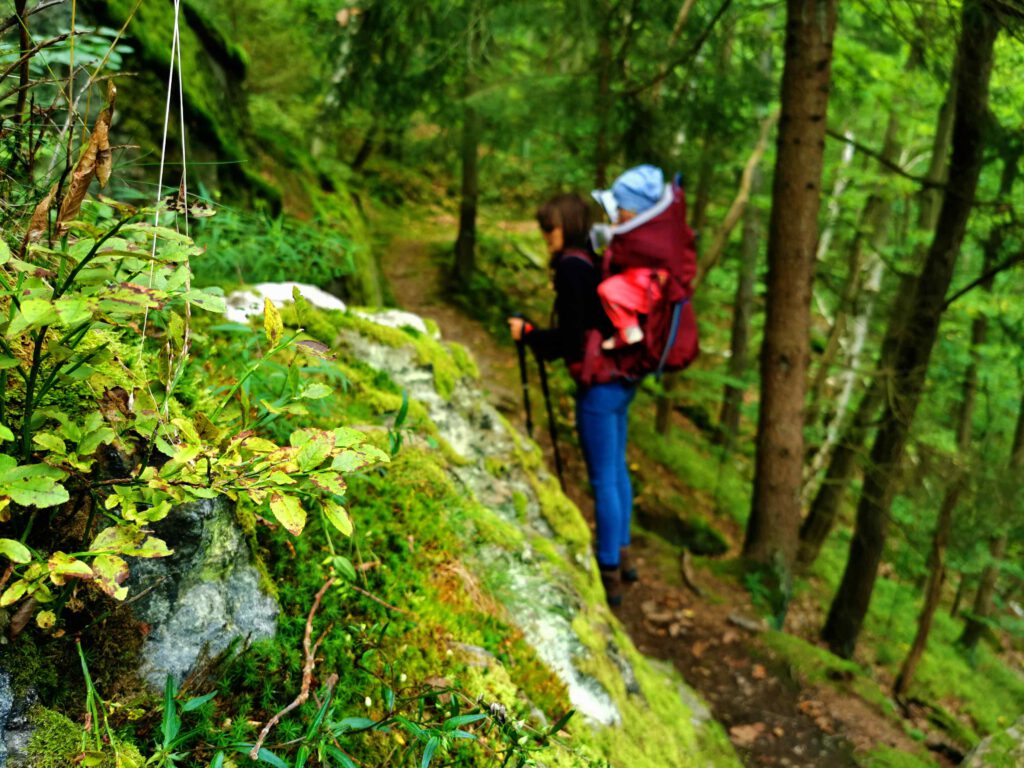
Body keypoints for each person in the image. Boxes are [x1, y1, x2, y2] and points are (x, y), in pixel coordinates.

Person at [507, 193, 639, 606]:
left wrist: (528, 335)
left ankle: (607, 571)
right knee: (616, 468)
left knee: (602, 477)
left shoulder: (570, 268)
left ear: (567, 225)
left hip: (598, 387)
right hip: (622, 378)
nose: (546, 235)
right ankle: (623, 553)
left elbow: (570, 339)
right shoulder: (593, 258)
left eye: (550, 226)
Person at [592, 165, 670, 350]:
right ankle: (626, 331)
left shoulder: (646, 232)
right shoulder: (646, 229)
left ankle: (629, 329)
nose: (617, 210)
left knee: (607, 291)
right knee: (609, 291)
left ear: (635, 209)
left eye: (621, 206)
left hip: (645, 286)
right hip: (638, 281)